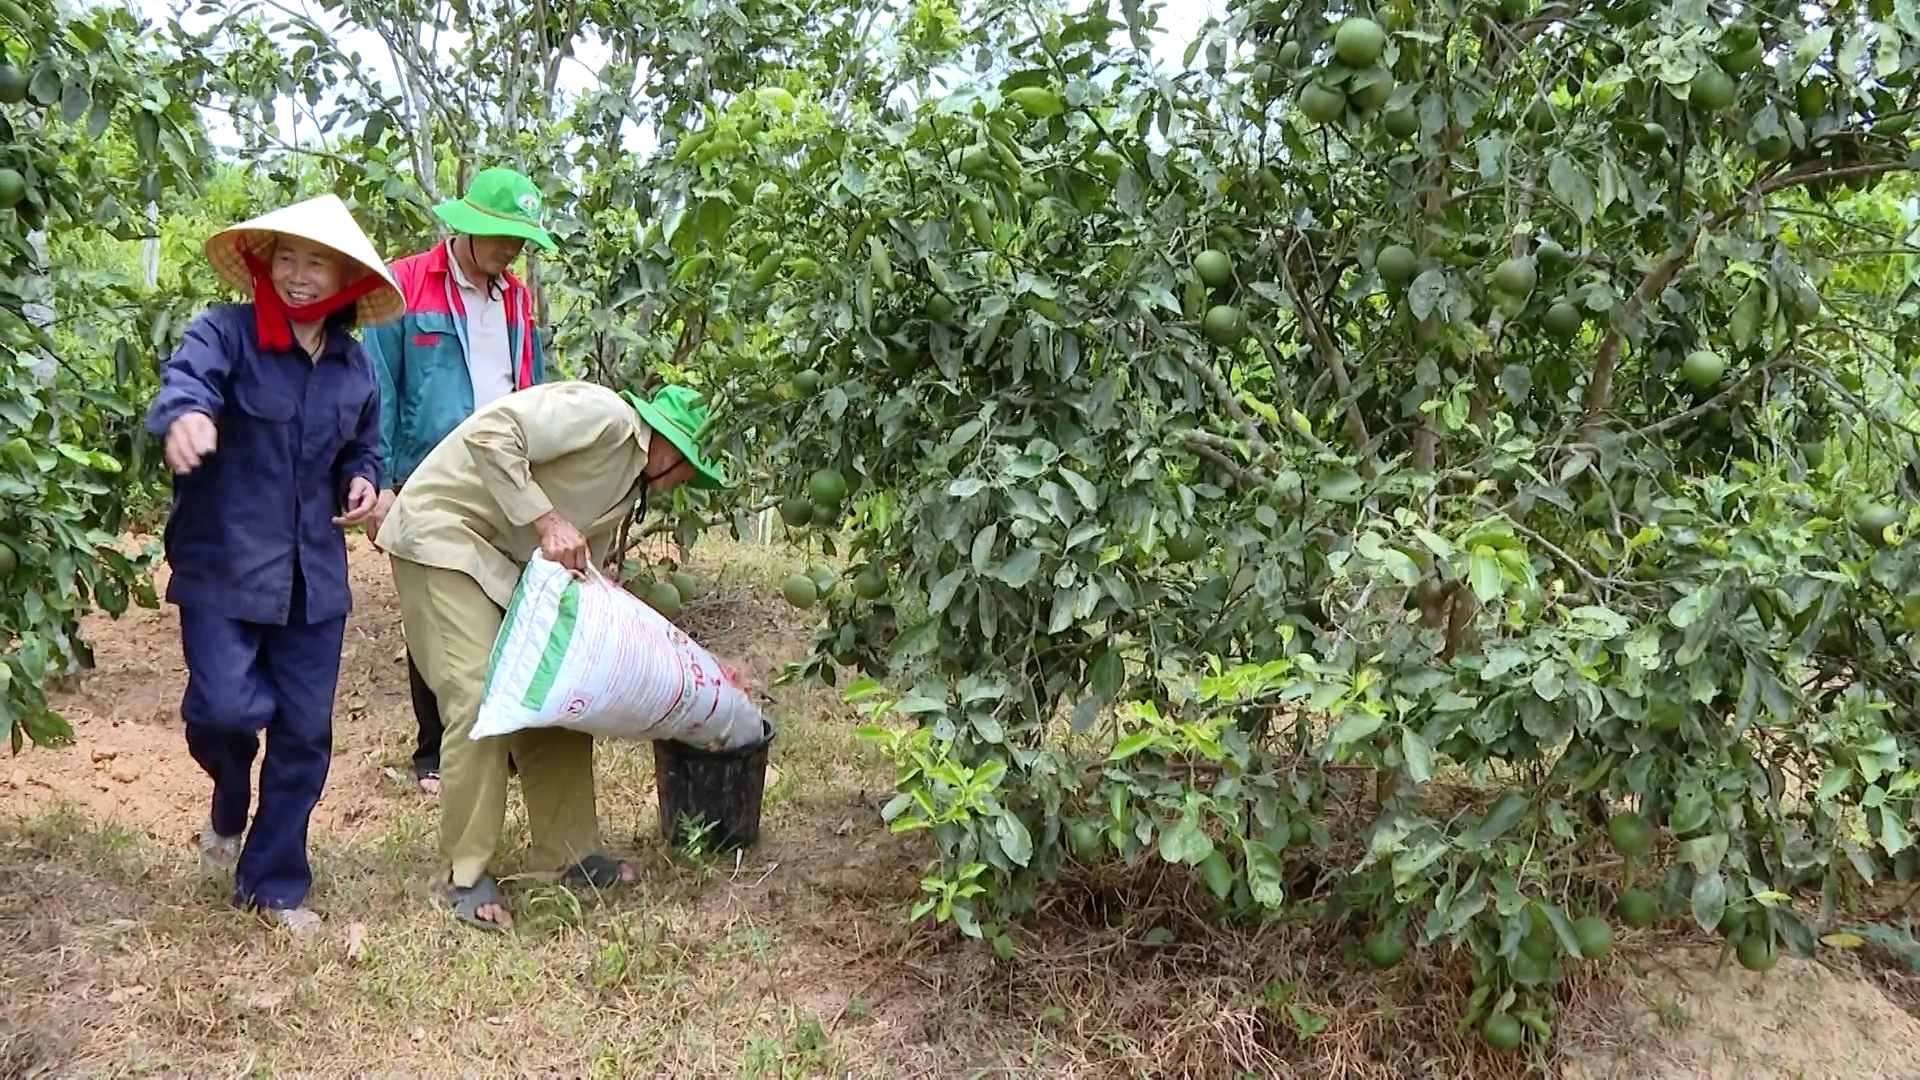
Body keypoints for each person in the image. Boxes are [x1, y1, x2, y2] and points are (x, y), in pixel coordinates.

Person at [143, 194, 404, 935]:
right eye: (284, 257)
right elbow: (186, 382)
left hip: (313, 580)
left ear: (345, 277)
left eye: (314, 261)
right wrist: (187, 416)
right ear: (263, 264)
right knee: (226, 711)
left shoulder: (355, 368)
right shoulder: (224, 333)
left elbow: (365, 446)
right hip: (224, 566)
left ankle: (274, 883)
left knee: (303, 734)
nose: (295, 274)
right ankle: (229, 794)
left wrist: (364, 478)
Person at [376, 380, 726, 930]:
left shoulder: (629, 484)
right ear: (668, 444)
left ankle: (570, 855)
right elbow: (493, 434)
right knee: (476, 698)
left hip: (504, 567)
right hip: (445, 534)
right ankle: (462, 874)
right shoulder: (604, 416)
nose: (684, 480)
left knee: (561, 689)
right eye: (688, 466)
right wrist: (546, 520)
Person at [363, 166, 557, 797]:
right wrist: (382, 477)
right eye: (500, 236)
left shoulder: (519, 299)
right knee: (437, 611)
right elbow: (380, 386)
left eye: (519, 240)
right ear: (466, 227)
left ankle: (496, 744)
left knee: (501, 602)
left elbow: (536, 384)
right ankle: (435, 753)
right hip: (428, 472)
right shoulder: (405, 284)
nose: (510, 250)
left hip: (503, 474)